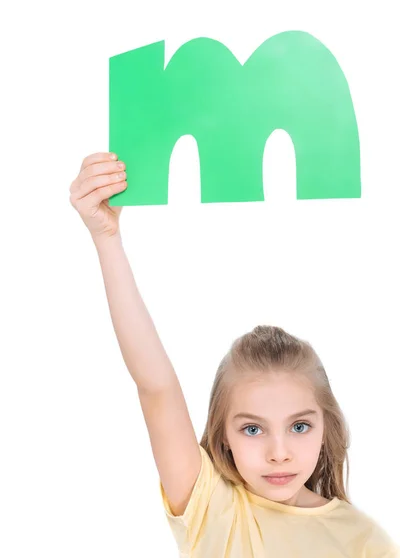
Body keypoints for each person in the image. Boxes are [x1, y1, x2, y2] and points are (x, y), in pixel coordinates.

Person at [70, 151, 399, 557]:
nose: (279, 452)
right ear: (224, 438)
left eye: (299, 427)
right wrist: (107, 238)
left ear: (326, 427)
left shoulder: (365, 541)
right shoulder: (212, 509)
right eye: (252, 429)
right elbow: (156, 387)